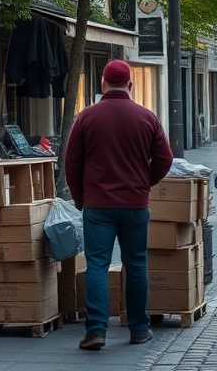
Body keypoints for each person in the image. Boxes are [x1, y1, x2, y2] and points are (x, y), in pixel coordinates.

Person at [65, 60, 172, 350]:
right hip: (135, 204)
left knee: (97, 266)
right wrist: (144, 183)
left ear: (103, 83)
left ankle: (96, 331)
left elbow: (71, 163)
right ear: (130, 85)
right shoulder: (146, 117)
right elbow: (165, 159)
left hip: (98, 205)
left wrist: (80, 197)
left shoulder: (86, 117)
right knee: (136, 265)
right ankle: (139, 328)